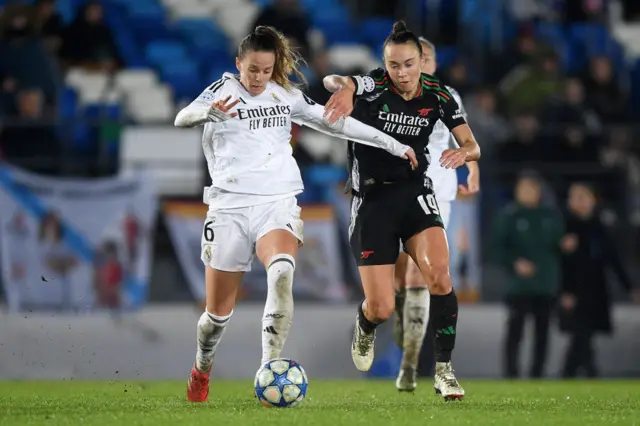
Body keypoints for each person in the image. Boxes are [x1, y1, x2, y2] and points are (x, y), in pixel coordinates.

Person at [173, 25, 418, 403]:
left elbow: (335, 123)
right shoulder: (222, 91)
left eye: (266, 70)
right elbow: (182, 117)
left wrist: (392, 143)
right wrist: (207, 112)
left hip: (277, 202)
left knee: (283, 271)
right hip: (229, 208)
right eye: (252, 69)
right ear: (239, 64)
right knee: (216, 316)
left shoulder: (284, 95)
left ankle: (268, 368)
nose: (258, 77)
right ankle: (201, 368)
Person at [323, 21, 481, 400]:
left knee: (440, 277)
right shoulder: (374, 85)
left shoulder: (439, 95)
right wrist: (345, 88)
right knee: (380, 306)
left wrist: (467, 153)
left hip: (415, 194)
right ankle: (365, 323)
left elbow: (471, 143)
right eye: (394, 65)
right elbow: (333, 78)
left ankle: (444, 370)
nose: (403, 73)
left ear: (422, 62)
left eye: (409, 64)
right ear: (386, 64)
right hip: (372, 200)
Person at [391, 37, 480, 393]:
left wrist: (473, 172)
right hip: (395, 191)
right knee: (400, 275)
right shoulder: (392, 96)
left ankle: (412, 366)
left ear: (433, 63)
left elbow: (464, 140)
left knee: (423, 276)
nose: (420, 64)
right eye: (415, 59)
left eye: (426, 58)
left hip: (436, 194)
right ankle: (400, 314)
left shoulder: (448, 96)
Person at [559, 182, 640, 378]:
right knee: (581, 333)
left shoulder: (601, 227)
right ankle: (590, 372)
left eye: (582, 196)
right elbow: (560, 266)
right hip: (574, 290)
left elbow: (614, 260)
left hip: (596, 289)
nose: (578, 201)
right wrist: (564, 290)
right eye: (574, 197)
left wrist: (630, 287)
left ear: (592, 199)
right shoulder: (563, 227)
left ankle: (570, 374)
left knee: (584, 335)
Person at [491, 173, 564, 379]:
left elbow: (560, 245)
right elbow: (496, 249)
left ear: (539, 192)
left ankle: (537, 374)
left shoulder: (551, 216)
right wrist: (515, 262)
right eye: (522, 189)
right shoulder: (509, 216)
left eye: (531, 189)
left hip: (545, 285)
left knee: (543, 332)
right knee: (515, 331)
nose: (526, 193)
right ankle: (511, 374)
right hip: (518, 286)